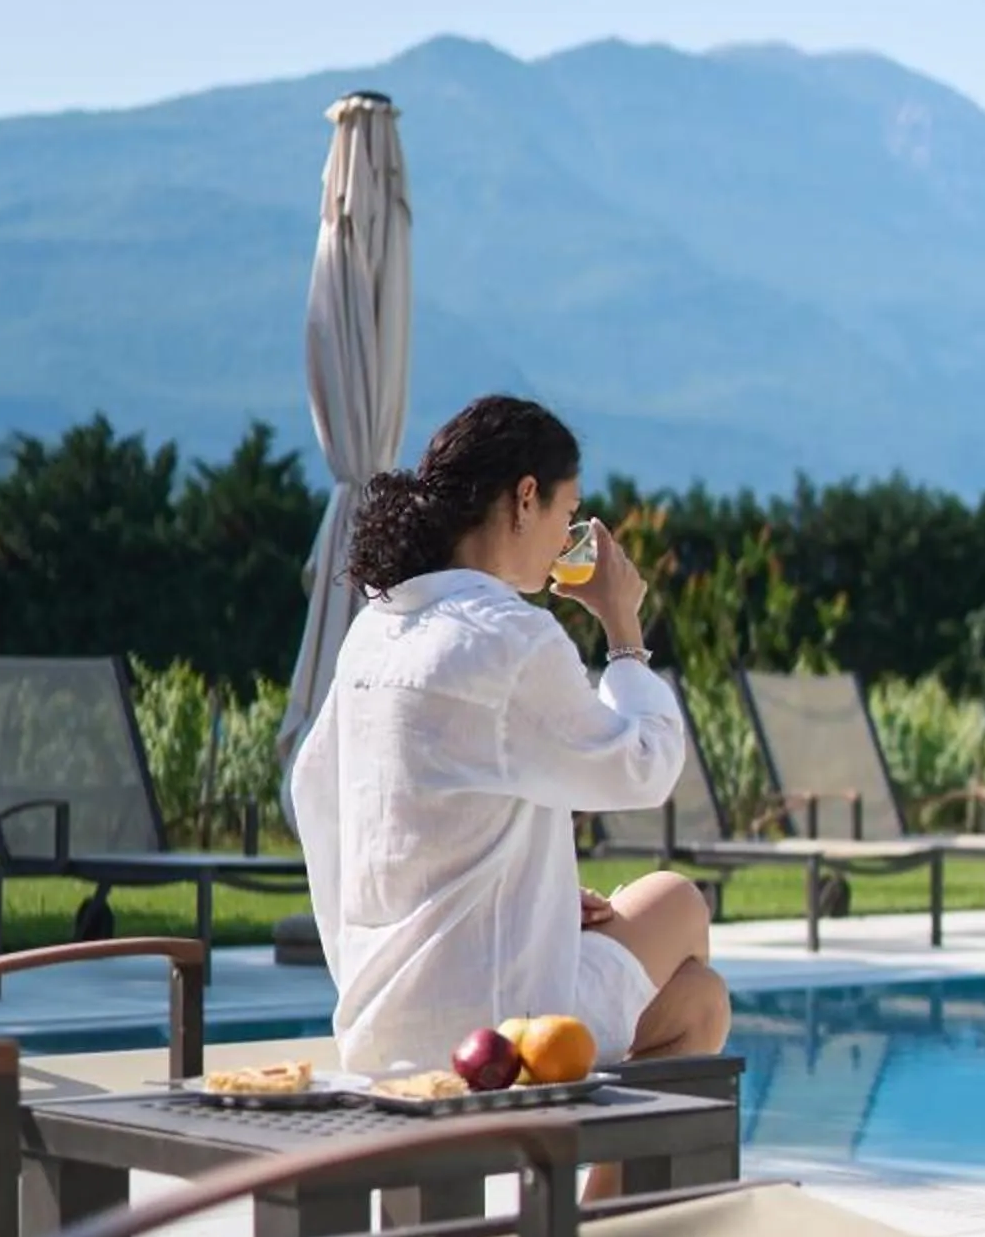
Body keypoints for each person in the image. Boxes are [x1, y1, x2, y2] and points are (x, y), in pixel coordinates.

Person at [291, 393, 729, 1096]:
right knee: (677, 902)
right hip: (495, 1029)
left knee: (700, 999)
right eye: (567, 512)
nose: (565, 538)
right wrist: (623, 627)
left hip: (381, 1016)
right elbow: (642, 768)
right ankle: (598, 1206)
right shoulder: (507, 636)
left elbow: (320, 799)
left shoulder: (377, 629)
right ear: (526, 498)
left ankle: (595, 1208)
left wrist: (542, 895)